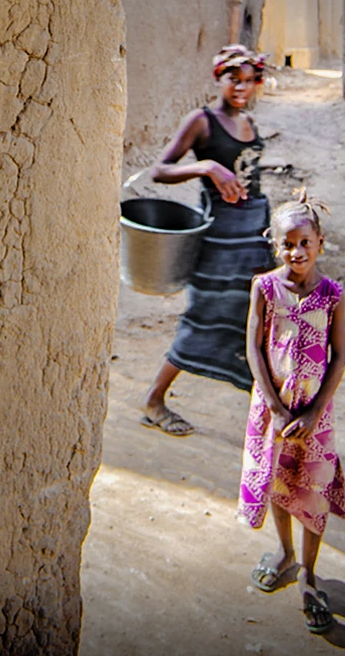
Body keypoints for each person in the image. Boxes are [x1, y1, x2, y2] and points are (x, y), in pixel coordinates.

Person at [138, 45, 272, 436]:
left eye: (249, 81)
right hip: (218, 239)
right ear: (220, 79)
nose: (241, 87)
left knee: (254, 322)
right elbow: (160, 170)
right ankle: (154, 398)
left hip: (253, 235)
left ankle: (262, 414)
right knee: (206, 315)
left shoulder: (250, 121)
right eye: (234, 79)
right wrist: (207, 166)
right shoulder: (202, 120)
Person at [238, 189, 345, 634]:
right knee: (280, 481)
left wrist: (312, 412)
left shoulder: (332, 295)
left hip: (314, 413)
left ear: (320, 242)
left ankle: (308, 570)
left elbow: (339, 356)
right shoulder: (264, 287)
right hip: (274, 410)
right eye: (287, 243)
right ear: (274, 244)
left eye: (305, 242)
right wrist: (276, 408)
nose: (296, 251)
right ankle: (284, 552)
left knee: (314, 488)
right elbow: (253, 346)